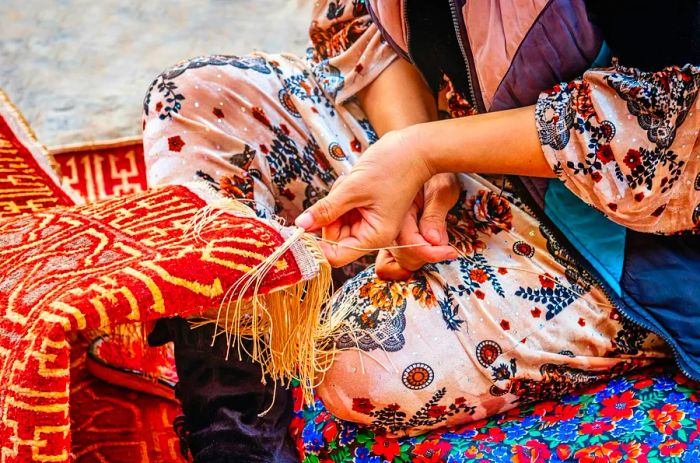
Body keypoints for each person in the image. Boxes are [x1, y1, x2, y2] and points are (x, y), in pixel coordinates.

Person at [143, 0, 700, 461]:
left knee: (361, 365)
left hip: (614, 235)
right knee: (197, 100)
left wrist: (424, 153)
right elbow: (368, 26)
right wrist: (413, 166)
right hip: (449, 152)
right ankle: (234, 429)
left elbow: (670, 137)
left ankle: (327, 293)